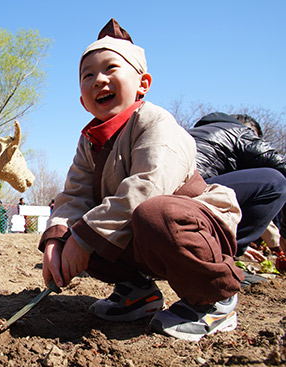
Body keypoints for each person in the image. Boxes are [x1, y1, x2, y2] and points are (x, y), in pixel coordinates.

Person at [39, 18, 243, 342]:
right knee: (78, 230)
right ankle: (137, 293)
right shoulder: (89, 141)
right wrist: (57, 238)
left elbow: (150, 184)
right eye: (87, 75)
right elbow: (74, 195)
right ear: (81, 99)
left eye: (110, 69)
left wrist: (83, 238)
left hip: (190, 227)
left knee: (150, 213)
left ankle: (215, 298)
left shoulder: (154, 120)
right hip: (141, 234)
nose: (98, 80)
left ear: (143, 83)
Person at [188, 113, 286, 258]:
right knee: (275, 182)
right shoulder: (239, 132)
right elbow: (281, 166)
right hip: (191, 197)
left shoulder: (192, 134)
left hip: (161, 204)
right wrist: (284, 235)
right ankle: (221, 255)